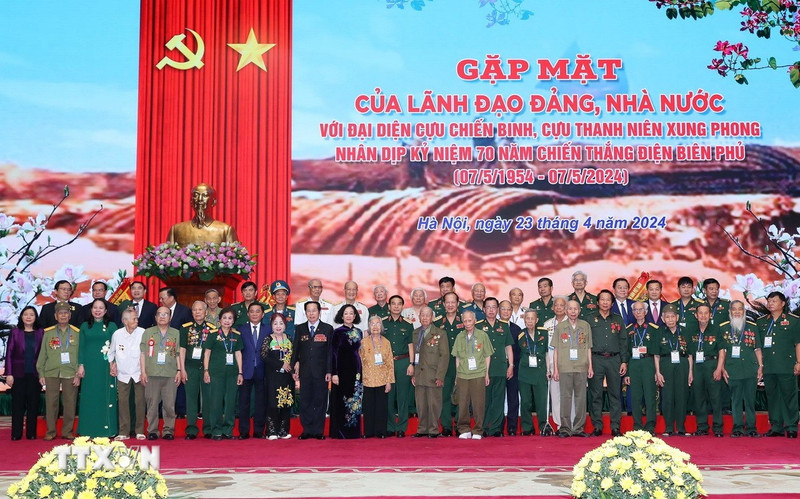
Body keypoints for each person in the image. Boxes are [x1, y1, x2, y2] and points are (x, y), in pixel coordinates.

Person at [757, 291, 800, 438]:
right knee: (773, 396)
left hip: (786, 364)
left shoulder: (793, 321)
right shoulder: (762, 321)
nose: (770, 303)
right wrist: (760, 366)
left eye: (774, 301)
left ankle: (792, 427)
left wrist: (799, 362)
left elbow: (798, 343)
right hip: (769, 366)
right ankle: (776, 426)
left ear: (783, 304)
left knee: (789, 396)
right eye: (769, 301)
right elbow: (759, 348)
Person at [36, 302, 81, 440]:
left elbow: (81, 354)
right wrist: (41, 373)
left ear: (70, 315)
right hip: (51, 372)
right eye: (60, 313)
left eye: (66, 313)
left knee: (70, 403)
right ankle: (50, 432)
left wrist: (78, 374)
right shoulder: (48, 333)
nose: (63, 315)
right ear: (55, 316)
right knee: (51, 403)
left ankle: (67, 432)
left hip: (70, 373)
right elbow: (42, 354)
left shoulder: (77, 333)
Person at [587, 289, 628, 436]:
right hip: (595, 359)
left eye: (608, 300)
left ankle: (615, 426)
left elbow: (624, 341)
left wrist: (624, 361)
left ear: (612, 303)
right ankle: (597, 426)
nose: (605, 302)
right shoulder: (590, 319)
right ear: (597, 302)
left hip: (614, 359)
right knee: (595, 393)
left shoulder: (618, 319)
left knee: (615, 393)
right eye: (602, 299)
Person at [720, 301, 762, 437]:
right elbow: (722, 352)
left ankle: (751, 428)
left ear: (744, 311)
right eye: (734, 310)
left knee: (750, 401)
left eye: (740, 309)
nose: (737, 312)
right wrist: (722, 368)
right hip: (733, 369)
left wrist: (761, 367)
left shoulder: (753, 327)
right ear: (730, 312)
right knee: (736, 400)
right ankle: (737, 428)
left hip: (750, 368)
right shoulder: (724, 328)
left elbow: (757, 349)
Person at [292, 301, 333, 440]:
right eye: (308, 311)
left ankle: (318, 431)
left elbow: (329, 352)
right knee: (305, 401)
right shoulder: (300, 328)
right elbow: (295, 350)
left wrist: (329, 371)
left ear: (319, 312)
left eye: (314, 310)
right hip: (305, 371)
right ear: (305, 313)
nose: (311, 313)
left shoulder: (327, 328)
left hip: (321, 372)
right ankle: (307, 430)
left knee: (320, 401)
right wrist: (293, 368)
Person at [77, 299, 118, 437]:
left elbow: (116, 347)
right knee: (89, 397)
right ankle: (87, 429)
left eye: (101, 308)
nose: (98, 310)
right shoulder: (84, 326)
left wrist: (114, 364)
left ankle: (108, 430)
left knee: (106, 395)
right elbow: (81, 347)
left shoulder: (112, 326)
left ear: (106, 311)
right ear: (91, 309)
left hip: (105, 366)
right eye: (95, 307)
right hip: (89, 367)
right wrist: (81, 365)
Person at [553, 300, 593, 437]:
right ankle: (565, 428)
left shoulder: (585, 326)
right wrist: (556, 370)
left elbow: (588, 348)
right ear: (566, 311)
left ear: (579, 310)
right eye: (570, 309)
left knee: (581, 398)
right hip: (564, 367)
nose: (573, 311)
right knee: (565, 397)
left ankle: (578, 428)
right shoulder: (560, 327)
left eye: (575, 309)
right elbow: (556, 350)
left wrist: (590, 367)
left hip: (581, 366)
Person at [141, 306, 181, 440]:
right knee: (152, 404)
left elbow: (177, 354)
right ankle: (152, 430)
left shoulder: (175, 333)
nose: (162, 316)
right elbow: (142, 353)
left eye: (166, 314)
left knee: (169, 405)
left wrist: (179, 371)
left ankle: (168, 430)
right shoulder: (148, 332)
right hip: (152, 373)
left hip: (170, 373)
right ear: (155, 317)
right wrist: (143, 372)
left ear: (170, 317)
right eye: (160, 314)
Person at [452, 310, 494, 439]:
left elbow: (487, 356)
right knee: (463, 403)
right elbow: (457, 358)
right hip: (463, 374)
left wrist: (486, 374)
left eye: (469, 320)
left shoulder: (482, 336)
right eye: (464, 321)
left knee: (478, 403)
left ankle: (478, 430)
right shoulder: (459, 336)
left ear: (475, 321)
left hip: (478, 373)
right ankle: (464, 429)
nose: (467, 323)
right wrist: (457, 375)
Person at [203, 307, 243, 440]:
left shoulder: (236, 335)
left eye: (230, 318)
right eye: (224, 318)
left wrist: (240, 372)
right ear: (220, 320)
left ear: (233, 321)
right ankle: (216, 430)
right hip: (216, 373)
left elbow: (238, 354)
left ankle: (228, 430)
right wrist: (206, 371)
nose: (227, 321)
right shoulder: (213, 334)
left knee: (231, 402)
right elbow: (207, 353)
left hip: (232, 373)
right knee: (216, 402)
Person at [179, 301, 217, 439]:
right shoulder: (185, 328)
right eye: (194, 310)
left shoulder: (213, 329)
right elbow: (182, 350)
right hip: (190, 367)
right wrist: (181, 369)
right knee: (191, 398)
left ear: (206, 312)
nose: (197, 312)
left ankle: (208, 429)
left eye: (200, 309)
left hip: (207, 368)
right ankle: (191, 430)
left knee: (208, 398)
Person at [5, 306, 44, 440]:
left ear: (35, 317)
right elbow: (9, 354)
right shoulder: (15, 332)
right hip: (17, 375)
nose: (28, 317)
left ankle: (31, 433)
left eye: (31, 315)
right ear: (21, 317)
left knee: (33, 405)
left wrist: (43, 374)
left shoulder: (41, 333)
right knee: (18, 405)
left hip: (35, 374)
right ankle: (16, 434)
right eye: (25, 314)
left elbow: (44, 355)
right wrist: (9, 374)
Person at [689, 303, 727, 437]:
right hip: (697, 366)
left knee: (715, 398)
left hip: (712, 365)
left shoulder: (716, 329)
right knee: (699, 397)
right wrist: (690, 372)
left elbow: (722, 351)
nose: (703, 315)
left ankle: (717, 428)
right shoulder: (692, 330)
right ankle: (702, 426)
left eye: (706, 313)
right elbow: (689, 354)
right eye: (700, 313)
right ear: (696, 315)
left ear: (710, 315)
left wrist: (719, 369)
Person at [478, 297, 513, 437]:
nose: (491, 310)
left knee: (499, 399)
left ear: (497, 309)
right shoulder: (478, 326)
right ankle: (484, 428)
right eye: (488, 307)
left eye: (494, 307)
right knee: (485, 400)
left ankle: (496, 428)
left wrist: (511, 365)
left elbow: (508, 346)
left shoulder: (504, 326)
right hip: (484, 369)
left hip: (500, 368)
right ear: (484, 309)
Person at [109, 308, 146, 440]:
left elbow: (146, 353)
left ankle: (140, 430)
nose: (137, 320)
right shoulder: (117, 334)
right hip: (122, 374)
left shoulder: (143, 332)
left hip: (139, 372)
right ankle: (123, 432)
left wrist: (145, 372)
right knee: (123, 402)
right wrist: (112, 364)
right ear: (125, 321)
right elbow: (111, 352)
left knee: (140, 402)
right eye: (134, 318)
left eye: (136, 318)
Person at [625, 301, 662, 433]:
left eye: (641, 310)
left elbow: (657, 352)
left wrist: (657, 371)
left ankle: (651, 425)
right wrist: (627, 373)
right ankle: (637, 425)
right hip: (634, 364)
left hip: (648, 363)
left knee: (650, 395)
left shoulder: (654, 328)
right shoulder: (629, 329)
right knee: (635, 396)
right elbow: (626, 352)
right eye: (636, 310)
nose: (638, 312)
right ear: (633, 313)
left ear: (646, 312)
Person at [411, 307, 449, 438]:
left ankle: (433, 429)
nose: (425, 318)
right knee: (421, 404)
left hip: (433, 374)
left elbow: (444, 356)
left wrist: (440, 376)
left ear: (432, 317)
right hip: (420, 374)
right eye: (422, 315)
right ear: (419, 317)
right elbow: (415, 354)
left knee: (434, 404)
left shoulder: (440, 333)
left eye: (427, 315)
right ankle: (422, 429)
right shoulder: (416, 333)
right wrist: (414, 374)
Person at [329, 304, 364, 439]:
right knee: (341, 401)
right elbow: (334, 354)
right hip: (342, 371)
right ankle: (340, 432)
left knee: (355, 401)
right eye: (346, 313)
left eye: (351, 313)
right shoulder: (337, 332)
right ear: (341, 316)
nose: (349, 316)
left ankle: (353, 432)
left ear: (355, 316)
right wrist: (335, 373)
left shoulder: (359, 332)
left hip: (356, 370)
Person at [166, 183, 238, 246]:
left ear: (214, 202)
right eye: (196, 195)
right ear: (191, 201)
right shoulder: (176, 230)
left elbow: (234, 257)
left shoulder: (225, 230)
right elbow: (167, 258)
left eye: (205, 195)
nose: (200, 199)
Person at [658, 304, 692, 436]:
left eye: (673, 316)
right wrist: (658, 372)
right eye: (667, 317)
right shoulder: (659, 332)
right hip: (665, 364)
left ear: (677, 317)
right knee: (667, 396)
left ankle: (681, 427)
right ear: (663, 318)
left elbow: (690, 355)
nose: (670, 319)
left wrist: (690, 372)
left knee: (681, 396)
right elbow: (656, 355)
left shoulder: (685, 331)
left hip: (682, 364)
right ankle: (669, 428)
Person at [383, 295, 414, 437]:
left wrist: (411, 364)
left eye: (399, 304)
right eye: (393, 304)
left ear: (402, 306)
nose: (396, 306)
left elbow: (411, 346)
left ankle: (402, 427)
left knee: (403, 396)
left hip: (403, 362)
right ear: (389, 306)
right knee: (388, 395)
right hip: (387, 363)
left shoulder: (408, 324)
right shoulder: (383, 324)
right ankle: (390, 426)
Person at [434, 291, 463, 436]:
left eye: (453, 302)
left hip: (461, 364)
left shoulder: (464, 322)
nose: (450, 305)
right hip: (443, 365)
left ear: (457, 304)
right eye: (448, 302)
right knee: (443, 395)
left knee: (462, 395)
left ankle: (459, 425)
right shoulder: (437, 323)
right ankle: (446, 426)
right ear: (444, 304)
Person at [360, 316, 395, 438]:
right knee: (368, 407)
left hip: (382, 379)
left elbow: (390, 363)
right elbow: (359, 361)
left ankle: (381, 431)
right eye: (372, 324)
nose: (375, 326)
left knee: (381, 407)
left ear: (382, 327)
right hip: (367, 379)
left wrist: (389, 381)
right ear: (369, 327)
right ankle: (368, 432)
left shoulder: (386, 342)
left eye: (378, 324)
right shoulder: (363, 342)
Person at [261, 313, 295, 439]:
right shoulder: (268, 339)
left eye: (281, 323)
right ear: (271, 325)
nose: (278, 326)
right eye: (275, 323)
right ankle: (271, 431)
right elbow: (264, 356)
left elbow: (294, 355)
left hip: (287, 377)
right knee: (273, 404)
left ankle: (283, 431)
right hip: (272, 377)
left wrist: (292, 369)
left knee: (286, 404)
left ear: (285, 325)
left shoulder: (289, 338)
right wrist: (281, 364)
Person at [237, 302, 267, 439]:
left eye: (257, 311)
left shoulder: (269, 330)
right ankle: (244, 431)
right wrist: (239, 371)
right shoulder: (240, 329)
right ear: (248, 314)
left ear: (263, 314)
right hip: (245, 370)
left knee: (261, 402)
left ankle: (259, 430)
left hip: (263, 370)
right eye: (252, 311)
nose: (255, 314)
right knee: (243, 402)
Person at [542, 296, 572, 430]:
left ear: (566, 308)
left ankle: (570, 422)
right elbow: (544, 348)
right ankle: (560, 424)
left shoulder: (571, 323)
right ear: (553, 308)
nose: (559, 307)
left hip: (568, 363)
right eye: (556, 305)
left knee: (569, 394)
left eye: (562, 305)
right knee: (555, 395)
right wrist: (548, 368)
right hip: (552, 363)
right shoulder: (547, 324)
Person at [517, 310, 549, 436]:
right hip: (525, 371)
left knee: (541, 401)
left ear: (536, 320)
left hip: (540, 370)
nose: (529, 321)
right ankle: (527, 428)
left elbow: (546, 352)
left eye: (532, 319)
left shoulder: (544, 333)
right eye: (527, 319)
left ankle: (543, 426)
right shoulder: (520, 334)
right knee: (525, 402)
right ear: (524, 320)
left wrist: (549, 369)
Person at [498, 300, 522, 436]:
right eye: (503, 309)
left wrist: (512, 366)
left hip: (514, 368)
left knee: (513, 398)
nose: (506, 312)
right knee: (499, 398)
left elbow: (519, 350)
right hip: (498, 368)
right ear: (499, 311)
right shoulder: (494, 327)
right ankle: (498, 426)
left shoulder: (516, 329)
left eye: (508, 309)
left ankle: (512, 427)